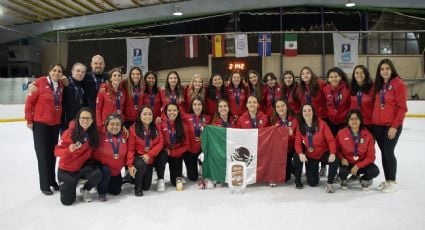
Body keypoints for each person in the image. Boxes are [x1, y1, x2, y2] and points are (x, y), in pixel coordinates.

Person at [25, 64, 65, 195]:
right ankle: (44, 185)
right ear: (49, 71)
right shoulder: (39, 82)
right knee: (42, 154)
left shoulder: (61, 85)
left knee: (52, 154)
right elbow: (29, 103)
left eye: (59, 71)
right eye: (54, 70)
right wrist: (29, 120)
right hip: (40, 124)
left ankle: (52, 181)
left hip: (54, 125)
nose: (56, 73)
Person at [372, 59, 407, 193]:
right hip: (378, 126)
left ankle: (392, 180)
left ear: (391, 70)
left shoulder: (399, 84)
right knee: (384, 153)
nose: (384, 71)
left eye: (387, 68)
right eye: (382, 69)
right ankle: (387, 180)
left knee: (388, 152)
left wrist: (394, 126)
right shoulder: (379, 85)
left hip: (391, 125)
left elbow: (402, 108)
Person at [54, 107, 102, 205]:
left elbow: (107, 127)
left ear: (92, 120)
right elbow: (57, 151)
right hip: (67, 170)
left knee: (98, 174)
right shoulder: (69, 132)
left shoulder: (93, 133)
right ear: (78, 119)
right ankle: (72, 182)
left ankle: (85, 189)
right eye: (82, 118)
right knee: (67, 201)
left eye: (88, 118)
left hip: (81, 167)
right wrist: (68, 150)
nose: (85, 120)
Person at [294, 104, 338, 192]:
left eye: (309, 110)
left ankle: (330, 183)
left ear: (313, 112)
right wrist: (300, 154)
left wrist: (332, 153)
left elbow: (331, 140)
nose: (307, 113)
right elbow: (297, 143)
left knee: (335, 159)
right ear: (302, 113)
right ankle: (313, 172)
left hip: (323, 153)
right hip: (311, 155)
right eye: (304, 111)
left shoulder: (322, 124)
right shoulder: (301, 126)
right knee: (312, 183)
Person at [336, 109, 380, 191]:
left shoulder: (368, 135)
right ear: (348, 121)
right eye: (351, 119)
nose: (354, 121)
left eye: (356, 118)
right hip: (348, 163)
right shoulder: (341, 133)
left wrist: (357, 166)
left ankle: (364, 179)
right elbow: (336, 149)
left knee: (375, 171)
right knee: (342, 172)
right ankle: (343, 179)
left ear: (360, 120)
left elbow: (371, 157)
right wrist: (341, 158)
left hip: (361, 164)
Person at [128, 106, 167, 195]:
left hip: (151, 157)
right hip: (140, 158)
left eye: (150, 114)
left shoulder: (156, 126)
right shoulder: (133, 129)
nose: (147, 116)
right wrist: (130, 165)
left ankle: (160, 179)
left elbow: (161, 142)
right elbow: (130, 150)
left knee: (163, 155)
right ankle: (137, 185)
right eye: (144, 114)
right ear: (140, 116)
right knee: (144, 185)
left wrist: (149, 154)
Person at [93, 113, 130, 201]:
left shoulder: (125, 135)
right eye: (112, 124)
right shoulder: (99, 134)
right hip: (103, 169)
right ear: (106, 125)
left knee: (116, 191)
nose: (115, 126)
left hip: (116, 171)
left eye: (117, 124)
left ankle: (106, 183)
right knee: (105, 171)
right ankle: (101, 191)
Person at [161, 103, 190, 187]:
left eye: (174, 110)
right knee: (161, 157)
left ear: (178, 111)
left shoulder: (183, 125)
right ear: (166, 111)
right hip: (165, 153)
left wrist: (173, 153)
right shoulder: (161, 124)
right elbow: (159, 140)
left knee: (176, 183)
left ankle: (178, 175)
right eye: (169, 110)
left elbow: (186, 145)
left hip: (176, 154)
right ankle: (160, 178)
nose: (172, 112)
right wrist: (166, 151)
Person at [183, 97, 211, 182]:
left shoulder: (208, 118)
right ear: (191, 106)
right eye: (195, 104)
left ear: (202, 106)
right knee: (193, 177)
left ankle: (201, 164)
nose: (197, 107)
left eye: (199, 104)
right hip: (190, 150)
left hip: (202, 150)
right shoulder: (186, 117)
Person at [270, 99, 298, 183]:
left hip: (291, 149)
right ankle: (291, 167)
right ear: (275, 109)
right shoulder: (273, 121)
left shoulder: (294, 120)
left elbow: (299, 138)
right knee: (285, 178)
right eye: (278, 107)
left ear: (287, 107)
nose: (280, 108)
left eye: (283, 106)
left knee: (286, 177)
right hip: (281, 151)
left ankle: (293, 167)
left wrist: (292, 135)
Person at [323, 67, 351, 136]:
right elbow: (324, 103)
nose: (333, 79)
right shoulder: (325, 89)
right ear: (328, 79)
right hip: (332, 121)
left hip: (344, 122)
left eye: (336, 76)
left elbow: (351, 104)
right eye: (331, 77)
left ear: (340, 77)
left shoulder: (348, 88)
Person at [61, 63, 88, 132]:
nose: (80, 73)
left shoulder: (84, 85)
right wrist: (33, 84)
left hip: (80, 121)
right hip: (66, 121)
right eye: (78, 71)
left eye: (82, 72)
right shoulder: (64, 83)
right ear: (72, 71)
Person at [350, 65, 375, 134]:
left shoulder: (373, 87)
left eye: (362, 73)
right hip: (355, 122)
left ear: (366, 74)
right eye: (357, 73)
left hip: (369, 122)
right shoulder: (351, 86)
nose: (359, 75)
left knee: (369, 143)